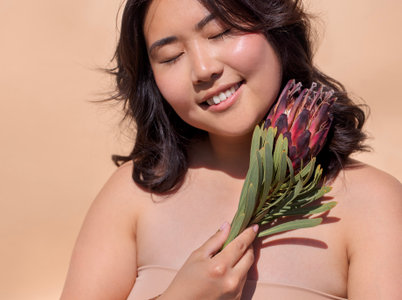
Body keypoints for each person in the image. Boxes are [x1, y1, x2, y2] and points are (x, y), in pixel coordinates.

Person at [61, 0, 402, 299]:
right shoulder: (135, 192)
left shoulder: (370, 205)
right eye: (171, 56)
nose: (204, 69)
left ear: (275, 25)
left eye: (221, 32)